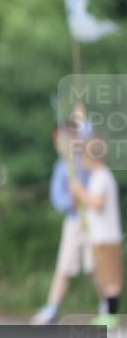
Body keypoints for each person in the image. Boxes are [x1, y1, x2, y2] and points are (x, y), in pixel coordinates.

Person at [30, 123, 96, 325]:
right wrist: (70, 201)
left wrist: (80, 119)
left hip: (93, 221)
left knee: (95, 266)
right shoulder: (61, 167)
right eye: (58, 140)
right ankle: (52, 308)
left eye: (65, 138)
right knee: (64, 266)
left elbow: (89, 132)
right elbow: (57, 197)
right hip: (74, 221)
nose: (61, 143)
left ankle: (107, 307)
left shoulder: (87, 158)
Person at [70, 137, 123, 327]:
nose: (81, 160)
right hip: (99, 236)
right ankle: (106, 312)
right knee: (103, 276)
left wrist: (80, 192)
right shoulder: (97, 177)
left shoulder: (102, 177)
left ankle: (111, 315)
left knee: (110, 277)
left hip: (106, 237)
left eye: (84, 155)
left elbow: (98, 204)